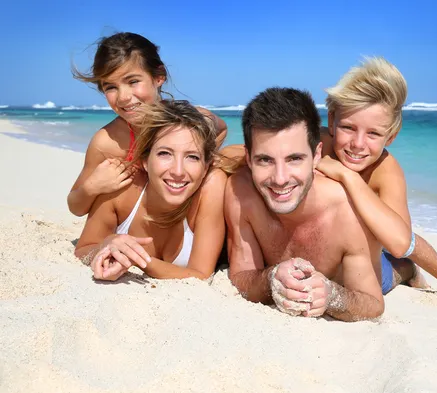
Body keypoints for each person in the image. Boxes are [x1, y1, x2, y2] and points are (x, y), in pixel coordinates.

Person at [316, 57, 437, 305]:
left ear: (390, 137)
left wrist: (347, 176)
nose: (358, 144)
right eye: (348, 128)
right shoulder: (313, 142)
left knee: (373, 278)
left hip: (370, 251)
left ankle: (406, 271)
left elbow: (402, 241)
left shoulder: (386, 171)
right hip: (322, 240)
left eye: (373, 133)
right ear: (331, 121)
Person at [225, 87, 385, 322]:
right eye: (265, 160)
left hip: (372, 263)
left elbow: (373, 303)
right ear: (248, 158)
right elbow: (241, 276)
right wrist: (271, 279)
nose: (280, 179)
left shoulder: (347, 212)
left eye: (294, 159)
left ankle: (407, 268)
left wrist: (332, 296)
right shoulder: (241, 194)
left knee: (393, 271)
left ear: (317, 155)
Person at [68, 32, 227, 217]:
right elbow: (76, 207)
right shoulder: (107, 142)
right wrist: (93, 186)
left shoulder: (190, 120)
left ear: (159, 77)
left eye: (133, 81)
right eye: (110, 87)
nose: (123, 97)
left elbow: (221, 129)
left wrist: (205, 161)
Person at [74, 100, 227, 281]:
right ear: (145, 160)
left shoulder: (211, 186)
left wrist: (136, 258)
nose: (178, 171)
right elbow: (83, 249)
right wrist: (106, 244)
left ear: (206, 165)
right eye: (164, 153)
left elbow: (200, 275)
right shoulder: (121, 186)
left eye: (192, 157)